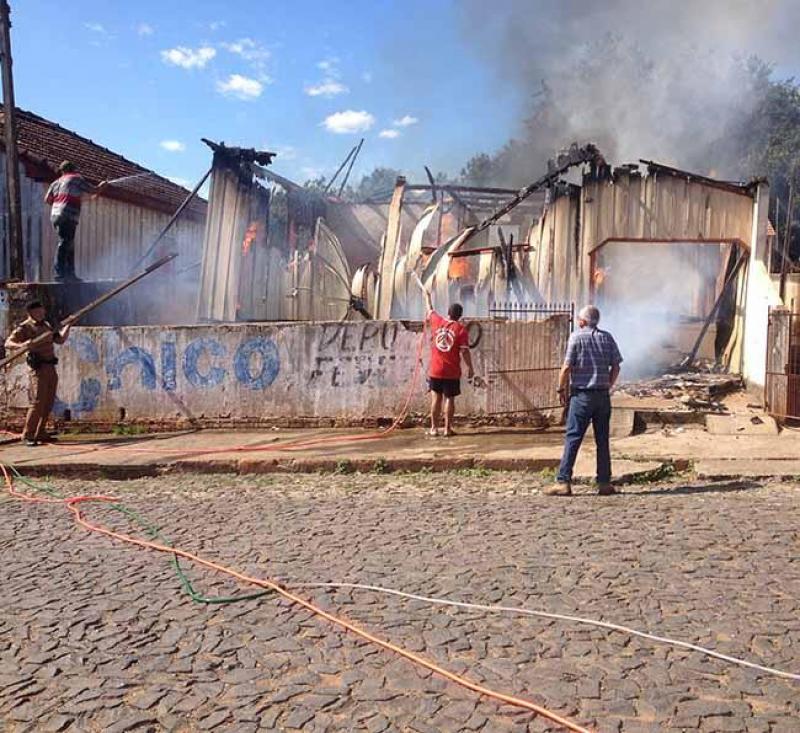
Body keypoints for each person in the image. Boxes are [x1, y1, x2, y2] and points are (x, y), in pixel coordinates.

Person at [545, 304, 623, 496]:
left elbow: (566, 367)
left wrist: (560, 388)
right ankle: (604, 483)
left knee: (573, 437)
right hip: (602, 396)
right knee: (602, 440)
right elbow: (616, 366)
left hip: (582, 396)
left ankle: (563, 481)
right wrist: (608, 384)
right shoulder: (607, 338)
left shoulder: (576, 337)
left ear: (582, 321)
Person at [4, 301, 70, 446]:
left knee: (48, 402)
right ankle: (28, 434)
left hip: (50, 366)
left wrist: (68, 326)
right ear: (31, 313)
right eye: (38, 312)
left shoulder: (46, 325)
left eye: (42, 311)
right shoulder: (25, 327)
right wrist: (22, 345)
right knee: (37, 402)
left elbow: (59, 340)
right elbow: (8, 343)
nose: (41, 314)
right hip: (38, 369)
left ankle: (40, 432)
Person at [423, 288, 474, 437]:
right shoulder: (461, 330)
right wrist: (470, 368)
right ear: (460, 316)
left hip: (436, 370)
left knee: (435, 398)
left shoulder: (437, 321)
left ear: (448, 312)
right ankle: (447, 429)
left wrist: (427, 296)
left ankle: (433, 428)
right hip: (451, 371)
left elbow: (430, 309)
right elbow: (464, 351)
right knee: (449, 399)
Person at [44, 161, 106, 282]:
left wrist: (59, 205)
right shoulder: (76, 179)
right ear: (73, 169)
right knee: (65, 242)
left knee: (68, 243)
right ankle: (60, 273)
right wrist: (102, 186)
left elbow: (47, 199)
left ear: (62, 170)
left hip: (56, 216)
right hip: (68, 215)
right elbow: (94, 190)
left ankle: (70, 275)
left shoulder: (56, 182)